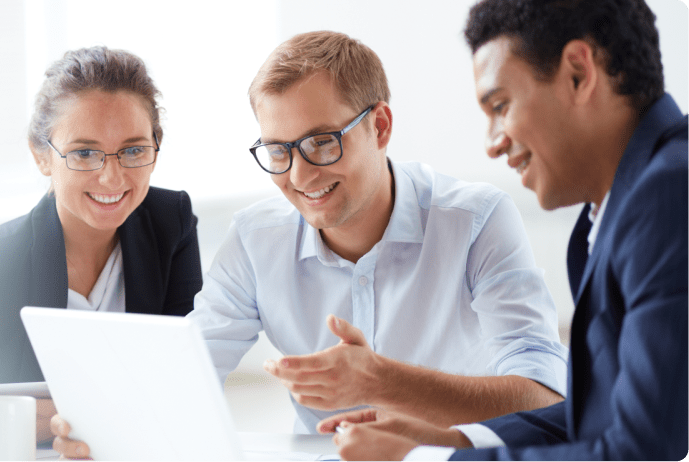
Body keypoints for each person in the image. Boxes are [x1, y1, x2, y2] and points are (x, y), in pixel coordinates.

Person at [50, 31, 569, 458]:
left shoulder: (476, 222)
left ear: (380, 126)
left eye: (322, 141)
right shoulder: (257, 239)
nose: (299, 175)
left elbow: (545, 399)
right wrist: (96, 423)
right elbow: (187, 371)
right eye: (278, 150)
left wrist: (384, 382)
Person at [324, 0, 688, 460]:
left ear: (578, 73)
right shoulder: (631, 202)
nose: (493, 144)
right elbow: (609, 413)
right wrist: (449, 439)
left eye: (500, 106)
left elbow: (639, 451)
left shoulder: (669, 197)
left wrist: (418, 460)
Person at [0, 46, 203, 443]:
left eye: (133, 150)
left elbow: (187, 378)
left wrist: (77, 411)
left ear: (155, 149)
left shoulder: (169, 221)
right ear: (41, 155)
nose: (112, 177)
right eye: (84, 152)